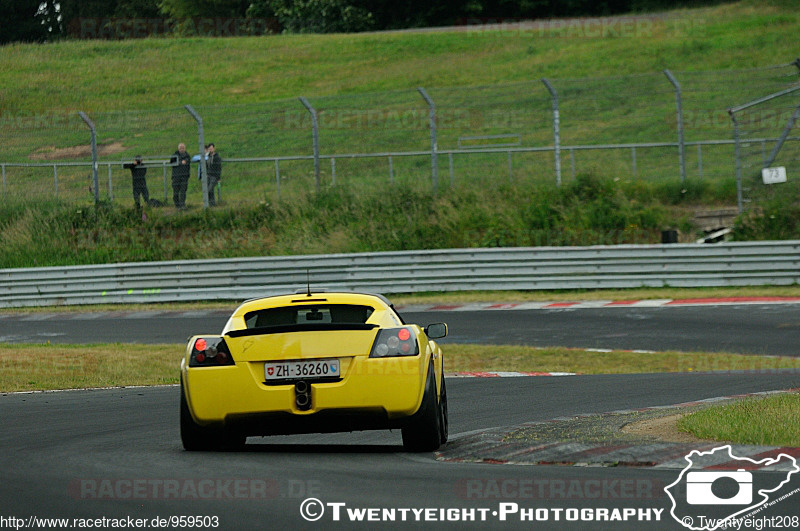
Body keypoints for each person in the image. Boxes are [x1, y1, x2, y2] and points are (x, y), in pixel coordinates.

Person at [170, 143, 191, 208]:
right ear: (178, 149)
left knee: (183, 191)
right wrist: (180, 162)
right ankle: (177, 205)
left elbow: (187, 161)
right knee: (175, 192)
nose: (182, 149)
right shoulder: (174, 155)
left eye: (183, 148)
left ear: (185, 148)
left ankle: (182, 205)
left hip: (184, 177)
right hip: (176, 177)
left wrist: (182, 162)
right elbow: (172, 163)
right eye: (180, 148)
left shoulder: (187, 156)